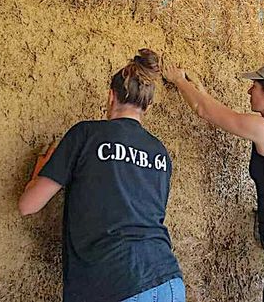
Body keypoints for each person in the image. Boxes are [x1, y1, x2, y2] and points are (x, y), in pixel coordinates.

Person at [18, 49, 184, 302]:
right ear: (147, 106)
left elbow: (28, 205)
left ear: (111, 96)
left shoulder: (86, 135)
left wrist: (40, 168)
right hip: (169, 281)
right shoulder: (160, 153)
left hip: (115, 282)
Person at [162, 62, 264, 302]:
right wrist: (199, 87)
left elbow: (204, 110)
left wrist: (178, 80)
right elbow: (216, 110)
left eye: (255, 85)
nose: (249, 91)